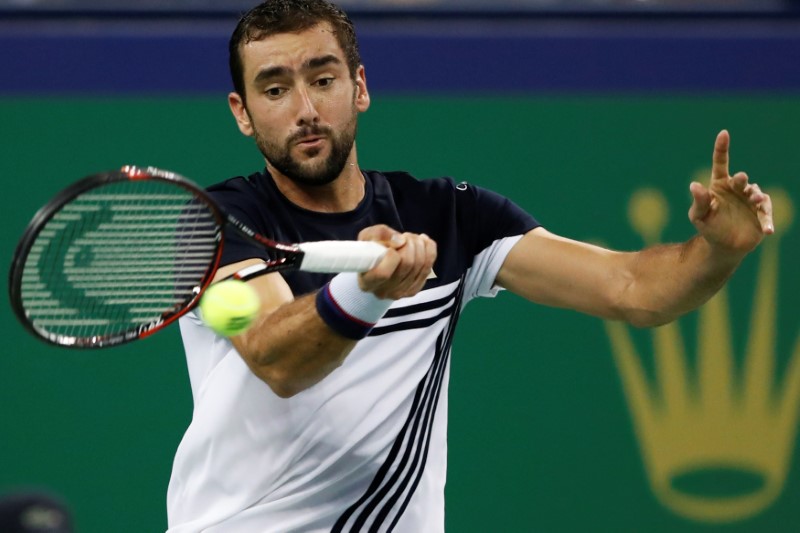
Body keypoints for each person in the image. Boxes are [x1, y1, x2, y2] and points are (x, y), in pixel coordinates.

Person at [166, 1, 774, 531]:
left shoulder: (450, 215)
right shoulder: (216, 223)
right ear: (242, 112)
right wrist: (365, 293)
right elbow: (276, 358)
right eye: (274, 90)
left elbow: (635, 290)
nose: (304, 109)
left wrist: (718, 249)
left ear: (359, 86)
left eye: (322, 79)